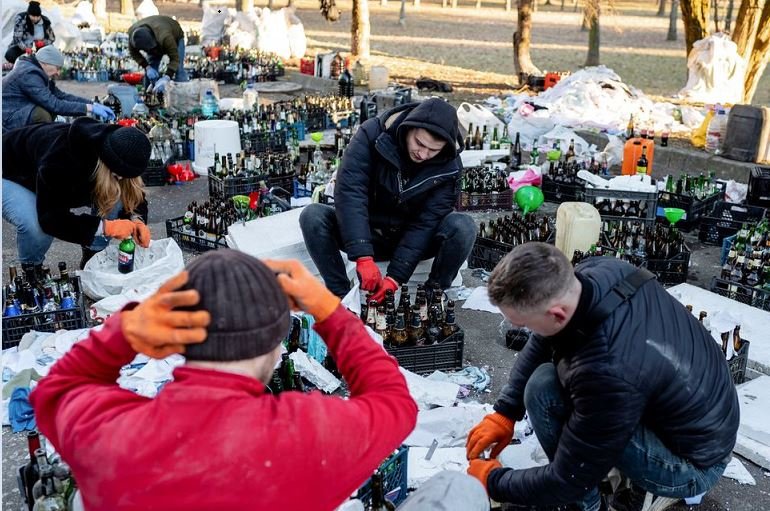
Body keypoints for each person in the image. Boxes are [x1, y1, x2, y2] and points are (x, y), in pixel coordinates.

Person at [30, 251, 418, 510]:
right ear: (275, 345)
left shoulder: (108, 434)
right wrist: (329, 310)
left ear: (173, 334)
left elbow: (55, 390)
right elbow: (395, 401)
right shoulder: (312, 432)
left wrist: (124, 331)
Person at [465, 242, 739, 511]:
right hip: (694, 413)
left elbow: (569, 478)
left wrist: (493, 481)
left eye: (521, 324)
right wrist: (505, 412)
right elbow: (543, 339)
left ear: (557, 314)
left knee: (543, 393)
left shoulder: (607, 371)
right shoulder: (601, 271)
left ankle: (589, 506)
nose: (519, 329)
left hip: (693, 464)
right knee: (544, 381)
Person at [300, 98, 476, 302]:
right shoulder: (371, 134)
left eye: (433, 150)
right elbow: (350, 195)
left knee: (463, 227)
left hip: (412, 237)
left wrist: (395, 278)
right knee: (313, 216)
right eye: (419, 143)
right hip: (369, 232)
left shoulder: (450, 167)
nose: (423, 153)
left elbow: (425, 223)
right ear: (408, 128)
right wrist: (362, 255)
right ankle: (341, 296)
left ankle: (432, 297)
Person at [2, 117, 151, 274]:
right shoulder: (62, 161)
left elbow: (131, 191)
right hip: (11, 172)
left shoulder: (120, 147)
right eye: (118, 176)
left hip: (44, 174)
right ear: (108, 166)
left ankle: (93, 252)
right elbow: (50, 219)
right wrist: (106, 227)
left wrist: (137, 219)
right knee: (35, 226)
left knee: (115, 195)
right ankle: (32, 269)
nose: (122, 179)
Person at [2, 45, 115, 131]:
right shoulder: (29, 75)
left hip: (20, 109)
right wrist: (89, 108)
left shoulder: (37, 71)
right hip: (7, 118)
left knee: (50, 113)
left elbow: (61, 96)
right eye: (57, 68)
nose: (58, 73)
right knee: (42, 114)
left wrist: (92, 103)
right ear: (45, 63)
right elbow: (54, 104)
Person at [128, 15, 188, 94]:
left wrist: (167, 77)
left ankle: (182, 97)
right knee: (150, 71)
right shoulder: (133, 37)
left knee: (178, 69)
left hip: (175, 36)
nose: (150, 51)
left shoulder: (166, 37)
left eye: (151, 49)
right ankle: (149, 95)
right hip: (156, 39)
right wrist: (147, 67)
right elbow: (134, 53)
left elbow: (175, 59)